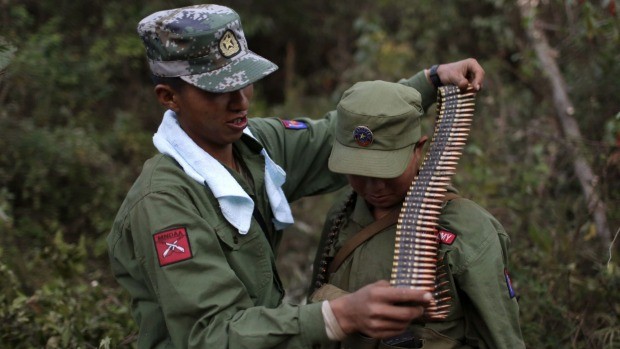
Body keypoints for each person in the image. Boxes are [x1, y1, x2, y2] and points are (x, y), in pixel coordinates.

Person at [106, 4, 486, 348]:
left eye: (244, 81)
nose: (240, 101)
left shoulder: (252, 144)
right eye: (217, 91)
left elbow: (334, 137)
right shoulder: (164, 205)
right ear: (169, 97)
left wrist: (431, 79)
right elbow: (210, 334)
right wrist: (337, 316)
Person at [308, 80, 525, 348]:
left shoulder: (468, 228)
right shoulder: (342, 213)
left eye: (387, 170)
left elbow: (500, 339)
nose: (374, 187)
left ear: (418, 149)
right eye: (360, 171)